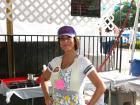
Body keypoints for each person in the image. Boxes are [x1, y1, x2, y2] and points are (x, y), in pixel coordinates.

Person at [41, 26, 106, 105]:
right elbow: (43, 79)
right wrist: (47, 97)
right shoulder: (55, 62)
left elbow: (101, 86)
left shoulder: (82, 62)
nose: (65, 41)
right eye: (62, 38)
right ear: (59, 42)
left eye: (68, 38)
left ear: (74, 40)